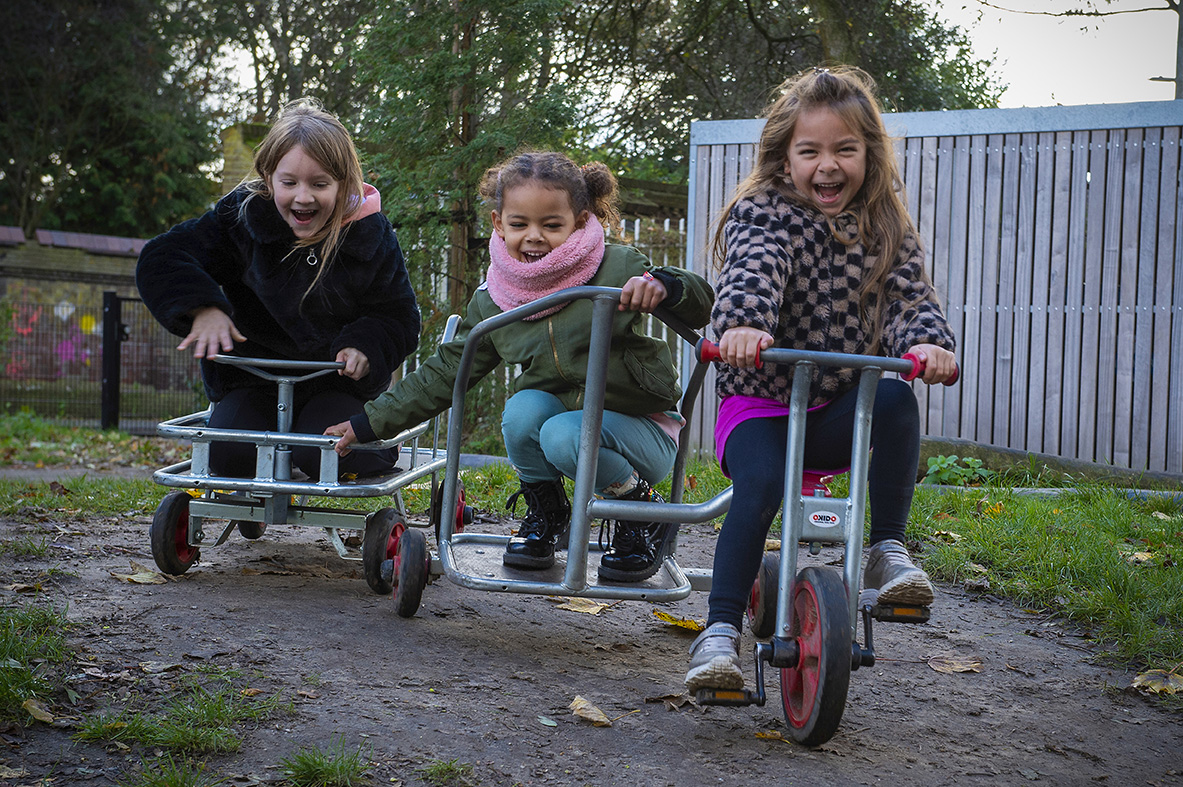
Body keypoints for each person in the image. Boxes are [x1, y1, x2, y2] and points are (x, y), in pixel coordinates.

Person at [684, 66, 958, 692]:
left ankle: (886, 550)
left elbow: (908, 298)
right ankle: (719, 631)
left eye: (845, 150)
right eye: (810, 151)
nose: (827, 166)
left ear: (870, 155)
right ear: (785, 158)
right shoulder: (766, 213)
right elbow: (754, 270)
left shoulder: (887, 228)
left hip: (834, 406)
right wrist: (745, 328)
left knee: (893, 397)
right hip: (761, 403)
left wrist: (924, 342)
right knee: (760, 487)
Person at [326, 151, 714, 582]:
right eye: (519, 224)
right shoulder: (496, 296)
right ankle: (548, 514)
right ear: (498, 223)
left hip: (641, 434)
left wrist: (666, 285)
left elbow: (700, 303)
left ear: (580, 220)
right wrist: (368, 423)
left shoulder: (617, 266)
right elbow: (447, 370)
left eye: (552, 225)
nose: (535, 237)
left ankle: (642, 512)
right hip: (570, 430)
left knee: (563, 431)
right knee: (523, 410)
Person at [136, 99, 420, 481]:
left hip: (332, 380)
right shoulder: (241, 218)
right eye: (289, 183)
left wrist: (366, 346)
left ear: (343, 183)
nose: (303, 197)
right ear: (269, 179)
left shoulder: (368, 236)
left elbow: (399, 315)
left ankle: (382, 446)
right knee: (228, 454)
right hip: (253, 377)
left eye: (319, 184)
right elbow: (164, 255)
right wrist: (202, 308)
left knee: (327, 451)